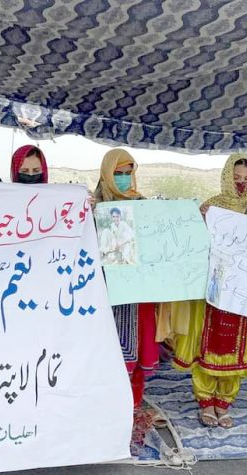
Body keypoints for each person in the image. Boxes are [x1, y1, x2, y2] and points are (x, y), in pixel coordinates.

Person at [172, 154, 247, 427]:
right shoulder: (212, 206)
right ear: (226, 177)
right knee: (208, 342)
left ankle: (224, 402)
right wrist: (199, 221)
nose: (242, 184)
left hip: (243, 291)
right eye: (236, 178)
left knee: (238, 345)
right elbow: (193, 244)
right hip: (214, 289)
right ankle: (205, 400)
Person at [93, 148, 159, 440]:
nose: (122, 178)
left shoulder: (143, 205)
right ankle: (106, 407)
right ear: (106, 174)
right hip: (105, 292)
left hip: (137, 291)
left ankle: (132, 405)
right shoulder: (96, 206)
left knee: (137, 348)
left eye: (127, 173)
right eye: (117, 173)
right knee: (107, 349)